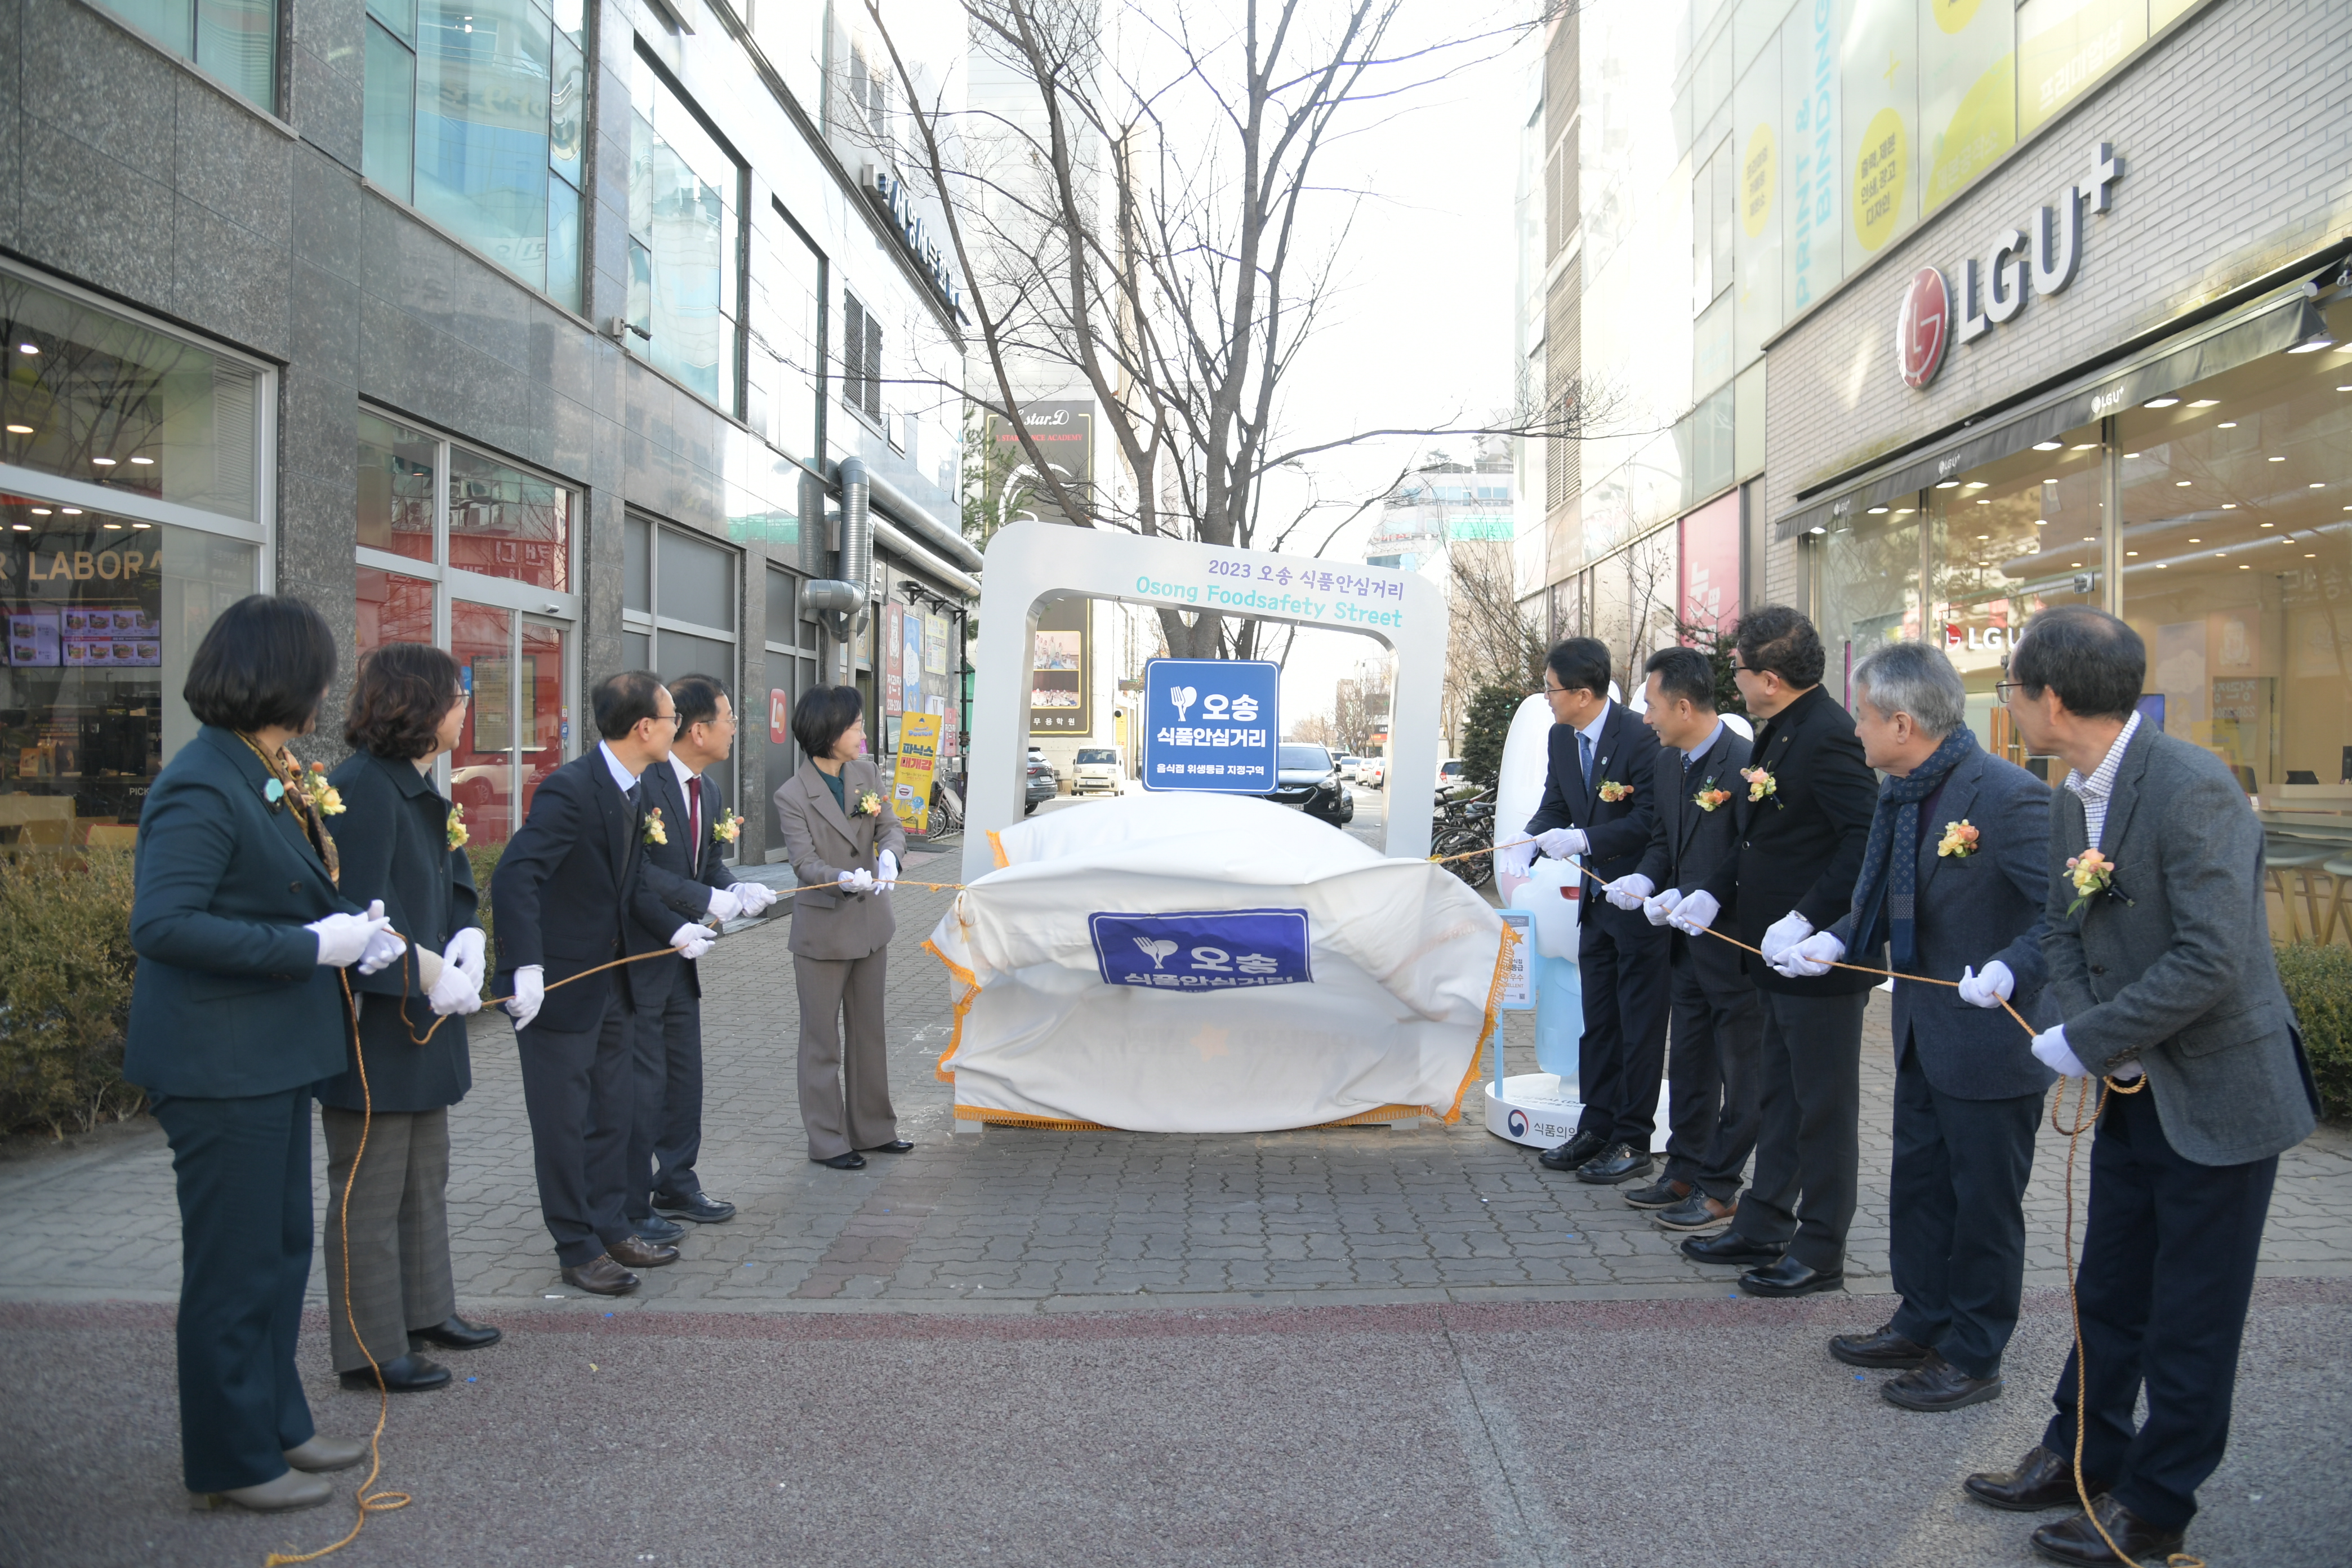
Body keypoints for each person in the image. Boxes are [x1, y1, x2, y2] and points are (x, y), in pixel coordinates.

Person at [1962, 607, 2319, 1567]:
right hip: (2131, 1081)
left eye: (2012, 688)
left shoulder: (2193, 785)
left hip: (2221, 1094)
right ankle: (2080, 1453)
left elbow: (2213, 956)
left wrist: (2092, 1033)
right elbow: (2062, 928)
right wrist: (2086, 1033)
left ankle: (2157, 1504)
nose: (2007, 704)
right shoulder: (2069, 790)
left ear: (2053, 698)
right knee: (2106, 1288)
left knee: (2191, 1313)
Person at [123, 594, 401, 1511]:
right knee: (234, 1264)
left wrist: (343, 929)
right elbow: (164, 923)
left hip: (272, 1055)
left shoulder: (264, 765)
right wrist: (308, 948)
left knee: (280, 1252)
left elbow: (270, 891)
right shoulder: (205, 779)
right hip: (220, 1059)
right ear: (283, 673)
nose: (328, 687)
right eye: (320, 670)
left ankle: (277, 1417)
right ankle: (233, 1455)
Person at [1771, 641, 2053, 1410]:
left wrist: (2012, 968)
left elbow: (2066, 915)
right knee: (1921, 1187)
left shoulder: (2007, 796)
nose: (1854, 729)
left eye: (1863, 715)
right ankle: (1922, 1316)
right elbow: (1876, 891)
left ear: (1902, 722)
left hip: (1990, 1039)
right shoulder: (1901, 790)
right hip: (1923, 1031)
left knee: (1983, 1204)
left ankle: (1974, 1352)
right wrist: (1833, 938)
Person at [1650, 605, 1879, 1298]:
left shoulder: (1831, 738)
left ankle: (1821, 1248)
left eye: (1741, 672)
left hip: (1814, 958)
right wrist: (1713, 893)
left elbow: (1865, 840)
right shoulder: (1781, 730)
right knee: (1779, 1097)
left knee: (1822, 1108)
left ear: (1771, 679)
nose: (1736, 683)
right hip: (1769, 953)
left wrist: (1812, 918)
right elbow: (1755, 839)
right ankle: (1764, 1219)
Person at [489, 671, 716, 1296]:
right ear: (644, 728)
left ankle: (611, 1224)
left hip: (614, 984)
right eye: (672, 719)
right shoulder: (572, 789)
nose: (679, 729)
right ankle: (576, 1244)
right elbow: (515, 877)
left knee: (615, 1114)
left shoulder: (635, 789)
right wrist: (525, 965)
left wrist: (675, 931)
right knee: (564, 1123)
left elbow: (634, 882)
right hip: (560, 988)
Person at [317, 642, 502, 1396]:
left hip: (425, 1011)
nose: (467, 708)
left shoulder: (418, 783)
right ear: (423, 705)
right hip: (376, 1024)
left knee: (424, 1174)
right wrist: (425, 972)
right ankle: (367, 1345)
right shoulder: (361, 787)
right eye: (459, 695)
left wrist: (468, 934)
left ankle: (426, 1310)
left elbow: (449, 881)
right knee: (369, 1186)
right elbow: (350, 918)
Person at [1496, 637, 1670, 1186]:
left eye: (1551, 689)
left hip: (1638, 904)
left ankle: (1632, 1140)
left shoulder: (1642, 738)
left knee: (1638, 1027)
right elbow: (1557, 801)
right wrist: (1528, 839)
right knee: (1598, 1025)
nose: (1545, 698)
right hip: (1594, 908)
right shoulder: (1560, 737)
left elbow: (1650, 821)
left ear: (1584, 693)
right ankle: (1594, 1128)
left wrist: (1585, 840)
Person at [1600, 645, 1761, 1232]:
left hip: (1736, 947)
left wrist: (1714, 898)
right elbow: (1667, 841)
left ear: (1686, 706)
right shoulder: (1669, 763)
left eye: (1652, 706)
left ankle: (1723, 1186)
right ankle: (1685, 1170)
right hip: (1684, 945)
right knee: (1690, 1062)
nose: (1645, 718)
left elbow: (1755, 855)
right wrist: (1646, 877)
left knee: (1743, 1073)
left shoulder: (1747, 765)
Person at [622, 674, 779, 1237]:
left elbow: (706, 866)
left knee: (684, 1080)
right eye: (730, 718)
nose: (736, 729)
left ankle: (678, 1183)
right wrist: (700, 902)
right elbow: (638, 873)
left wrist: (736, 889)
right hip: (640, 955)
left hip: (682, 962)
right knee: (641, 1085)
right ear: (695, 730)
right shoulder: (645, 782)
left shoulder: (708, 791)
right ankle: (629, 1200)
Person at [774, 686, 912, 1170]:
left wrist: (892, 854)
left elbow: (890, 826)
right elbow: (803, 864)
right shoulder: (792, 795)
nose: (862, 734)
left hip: (873, 925)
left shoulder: (866, 773)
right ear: (828, 732)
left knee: (869, 1031)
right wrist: (840, 878)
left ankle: (874, 1129)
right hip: (824, 932)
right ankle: (829, 1140)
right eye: (854, 726)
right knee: (821, 1042)